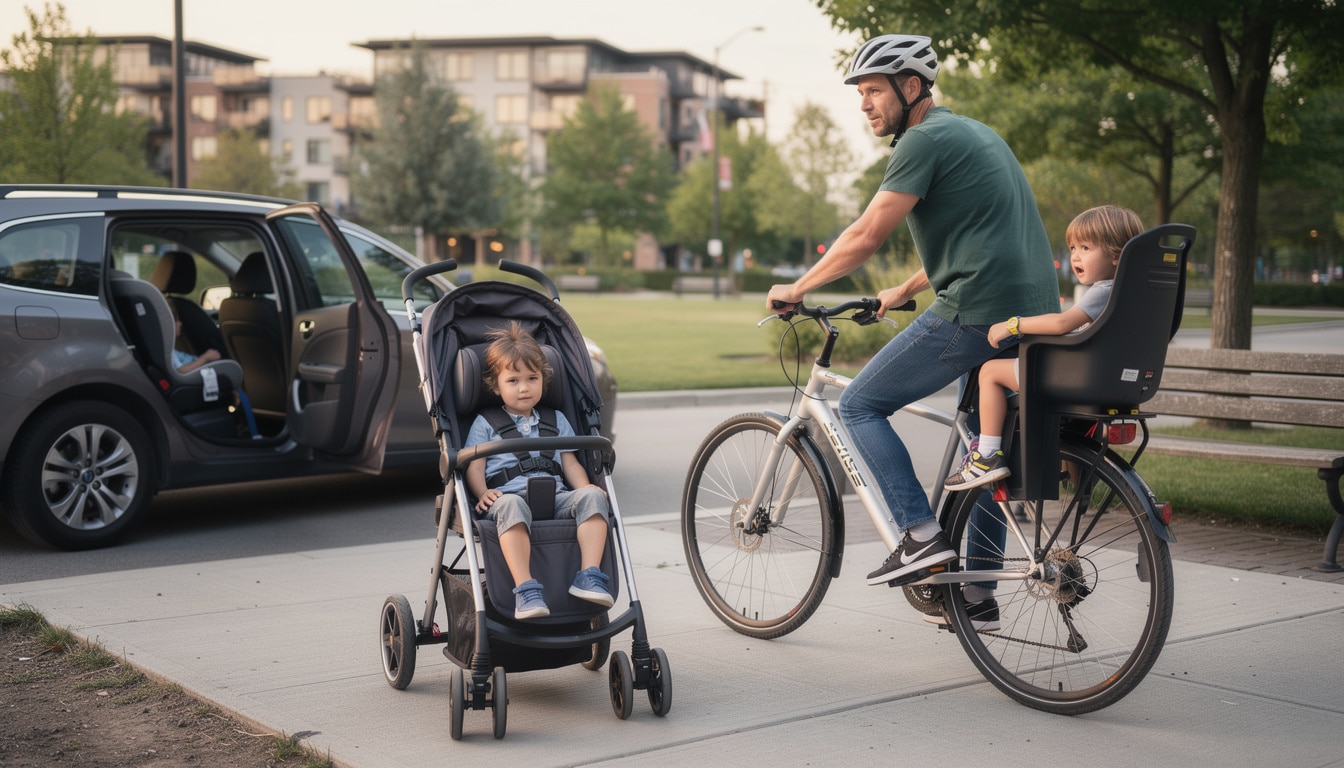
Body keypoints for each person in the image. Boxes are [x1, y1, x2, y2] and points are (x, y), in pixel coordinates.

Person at [766, 33, 1061, 590]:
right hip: (1026, 312)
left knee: (858, 405)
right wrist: (904, 289)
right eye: (860, 93)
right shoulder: (975, 133)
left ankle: (920, 536)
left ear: (911, 86)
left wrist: (797, 287)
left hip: (975, 309)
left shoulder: (921, 143)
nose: (864, 104)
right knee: (982, 446)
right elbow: (979, 238)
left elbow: (865, 235)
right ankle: (977, 592)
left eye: (874, 90)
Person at [944, 205, 1144, 491]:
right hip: (1113, 379)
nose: (1075, 255)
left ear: (1116, 255)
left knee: (989, 372)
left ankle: (986, 455)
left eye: (1086, 247)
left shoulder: (1104, 290)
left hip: (1080, 378)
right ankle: (1077, 485)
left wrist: (1013, 325)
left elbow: (1062, 322)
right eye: (1073, 247)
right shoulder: (1132, 291)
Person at [463, 322, 614, 621]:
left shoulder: (555, 418)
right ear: (496, 385)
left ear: (543, 380)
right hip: (508, 496)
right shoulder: (485, 422)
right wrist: (482, 493)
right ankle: (526, 589)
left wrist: (584, 488)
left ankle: (590, 574)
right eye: (513, 380)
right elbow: (474, 464)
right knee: (512, 505)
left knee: (594, 500)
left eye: (532, 378)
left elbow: (570, 462)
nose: (524, 387)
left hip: (556, 497)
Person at [169, 301, 261, 439]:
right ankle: (252, 433)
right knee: (240, 394)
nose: (181, 324)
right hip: (192, 379)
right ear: (167, 324)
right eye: (177, 320)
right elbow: (181, 371)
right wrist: (205, 358)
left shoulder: (168, 348)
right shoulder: (170, 353)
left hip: (196, 373)